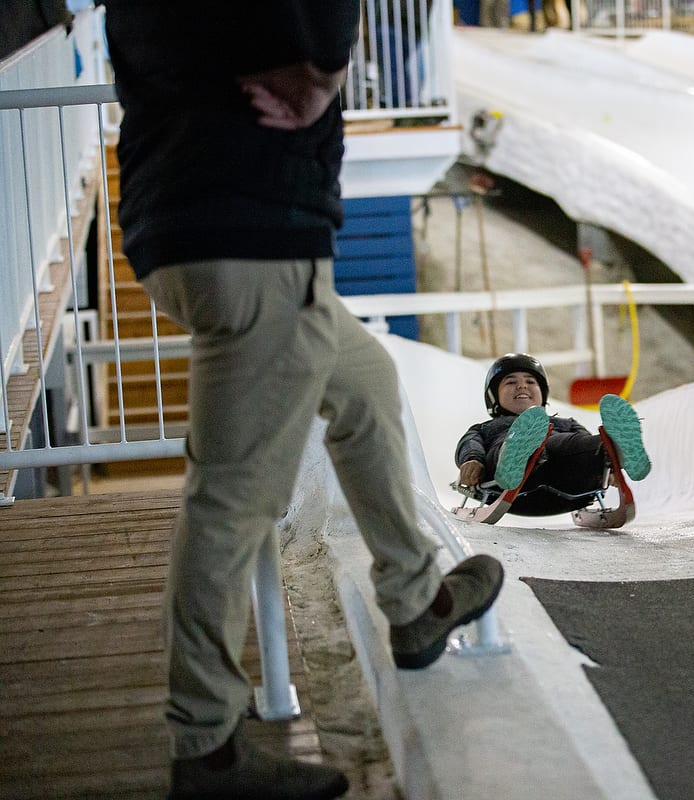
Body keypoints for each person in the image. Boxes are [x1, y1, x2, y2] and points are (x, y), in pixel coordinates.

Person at [103, 4, 504, 799]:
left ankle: (416, 601)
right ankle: (207, 747)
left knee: (363, 387)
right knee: (233, 497)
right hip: (249, 221)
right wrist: (322, 65)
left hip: (208, 214)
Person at [455, 353, 651, 516]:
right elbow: (470, 443)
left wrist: (607, 468)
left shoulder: (563, 424)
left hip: (567, 476)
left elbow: (581, 443)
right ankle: (518, 454)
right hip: (514, 482)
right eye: (511, 382)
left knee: (579, 445)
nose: (522, 386)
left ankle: (615, 449)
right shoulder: (487, 428)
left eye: (530, 381)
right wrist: (472, 461)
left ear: (543, 394)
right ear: (493, 397)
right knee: (507, 447)